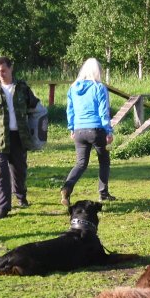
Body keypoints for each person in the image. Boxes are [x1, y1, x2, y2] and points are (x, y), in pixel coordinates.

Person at [0, 56, 39, 219]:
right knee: (0, 174)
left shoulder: (22, 88)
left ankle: (21, 196)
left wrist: (39, 129)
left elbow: (35, 108)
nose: (1, 74)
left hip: (19, 137)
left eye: (3, 71)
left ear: (11, 68)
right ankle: (2, 208)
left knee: (19, 170)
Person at [62, 58, 115, 205]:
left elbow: (70, 110)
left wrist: (72, 127)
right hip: (96, 129)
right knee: (104, 161)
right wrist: (108, 130)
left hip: (79, 130)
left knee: (80, 164)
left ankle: (67, 187)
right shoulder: (99, 87)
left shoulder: (73, 88)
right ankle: (103, 193)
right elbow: (103, 111)